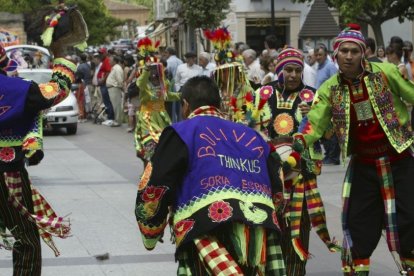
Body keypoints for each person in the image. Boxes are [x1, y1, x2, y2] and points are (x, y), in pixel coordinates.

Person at [135, 75, 286, 275]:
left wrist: (151, 230)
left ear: (185, 105)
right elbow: (277, 180)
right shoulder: (253, 135)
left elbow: (157, 183)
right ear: (220, 104)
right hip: (259, 230)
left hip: (206, 227)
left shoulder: (182, 132)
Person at [295, 23, 414, 275]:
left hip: (399, 159)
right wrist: (293, 146)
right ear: (335, 54)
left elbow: (411, 94)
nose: (349, 56)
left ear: (363, 53)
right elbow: (314, 124)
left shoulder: (387, 72)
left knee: (410, 222)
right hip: (364, 165)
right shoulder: (329, 89)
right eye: (344, 51)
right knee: (358, 226)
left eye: (354, 51)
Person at [256, 47, 338, 275]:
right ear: (279, 69)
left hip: (301, 176)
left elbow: (330, 134)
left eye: (297, 70)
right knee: (268, 229)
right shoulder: (264, 93)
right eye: (288, 70)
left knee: (298, 229)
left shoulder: (314, 96)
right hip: (268, 176)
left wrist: (314, 115)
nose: (292, 75)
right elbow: (250, 126)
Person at [0, 43, 73, 275]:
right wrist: (62, 63)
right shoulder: (18, 89)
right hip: (7, 173)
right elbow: (56, 91)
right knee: (25, 239)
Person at [134, 38, 181, 166]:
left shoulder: (163, 83)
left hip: (162, 116)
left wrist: (181, 95)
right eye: (153, 70)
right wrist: (146, 70)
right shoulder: (144, 83)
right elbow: (139, 83)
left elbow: (167, 96)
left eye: (158, 70)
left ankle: (159, 170)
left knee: (164, 144)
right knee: (149, 144)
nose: (156, 73)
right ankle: (147, 172)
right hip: (147, 117)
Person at [97, 48, 115, 126]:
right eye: (99, 53)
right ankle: (109, 117)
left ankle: (111, 118)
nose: (100, 55)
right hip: (102, 84)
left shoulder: (106, 60)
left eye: (101, 53)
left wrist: (103, 80)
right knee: (106, 101)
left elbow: (108, 71)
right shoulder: (103, 61)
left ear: (105, 53)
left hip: (104, 84)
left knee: (107, 101)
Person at [106, 55, 124, 127]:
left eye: (110, 60)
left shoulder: (117, 68)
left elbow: (120, 79)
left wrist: (119, 86)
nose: (109, 62)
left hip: (114, 88)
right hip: (112, 88)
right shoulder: (114, 68)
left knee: (116, 105)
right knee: (114, 105)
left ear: (114, 61)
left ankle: (118, 121)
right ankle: (116, 120)